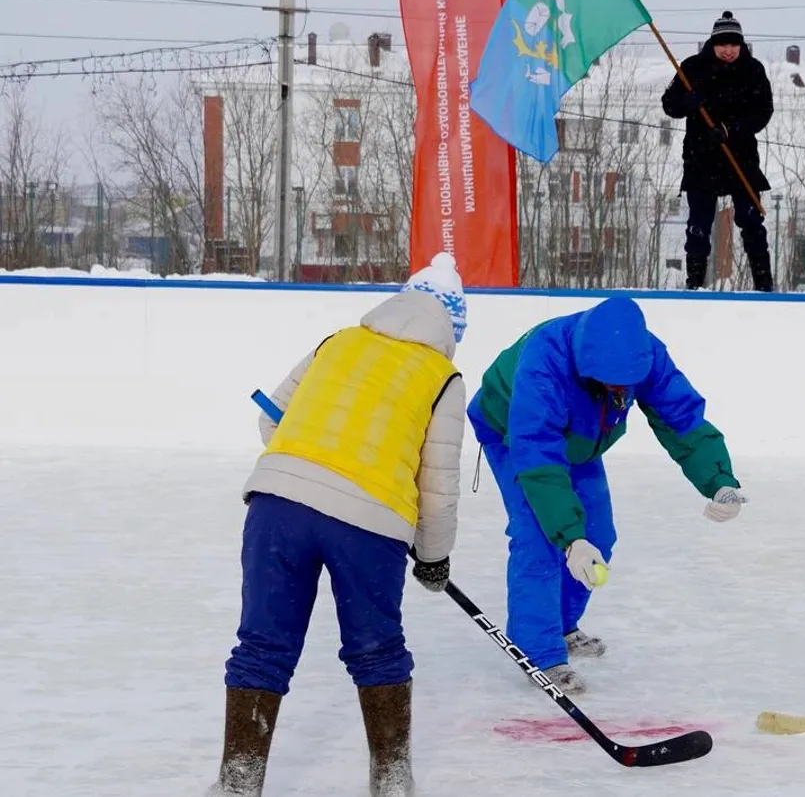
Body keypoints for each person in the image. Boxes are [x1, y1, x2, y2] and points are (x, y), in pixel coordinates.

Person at [208, 253, 468, 797]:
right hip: (369, 524)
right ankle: (392, 784)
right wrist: (433, 557)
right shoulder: (442, 377)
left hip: (276, 505)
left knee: (261, 646)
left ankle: (236, 785)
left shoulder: (339, 341)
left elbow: (269, 418)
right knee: (377, 649)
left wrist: (308, 471)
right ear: (451, 327)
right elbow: (437, 487)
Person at [466, 296, 747, 695]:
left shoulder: (644, 353)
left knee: (597, 536)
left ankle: (562, 627)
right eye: (609, 381)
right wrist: (568, 537)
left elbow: (682, 418)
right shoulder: (544, 363)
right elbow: (537, 455)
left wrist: (719, 480)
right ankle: (539, 652)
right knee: (541, 539)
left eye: (624, 383)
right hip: (515, 434)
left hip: (579, 441)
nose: (619, 389)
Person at [661, 10, 775, 292]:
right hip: (701, 158)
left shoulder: (753, 70)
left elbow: (763, 112)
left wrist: (730, 129)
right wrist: (688, 102)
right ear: (712, 44)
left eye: (733, 44)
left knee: (751, 220)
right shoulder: (693, 68)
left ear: (741, 45)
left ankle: (764, 284)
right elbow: (669, 105)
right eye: (722, 44)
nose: (728, 50)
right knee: (698, 223)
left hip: (741, 157)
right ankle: (695, 283)